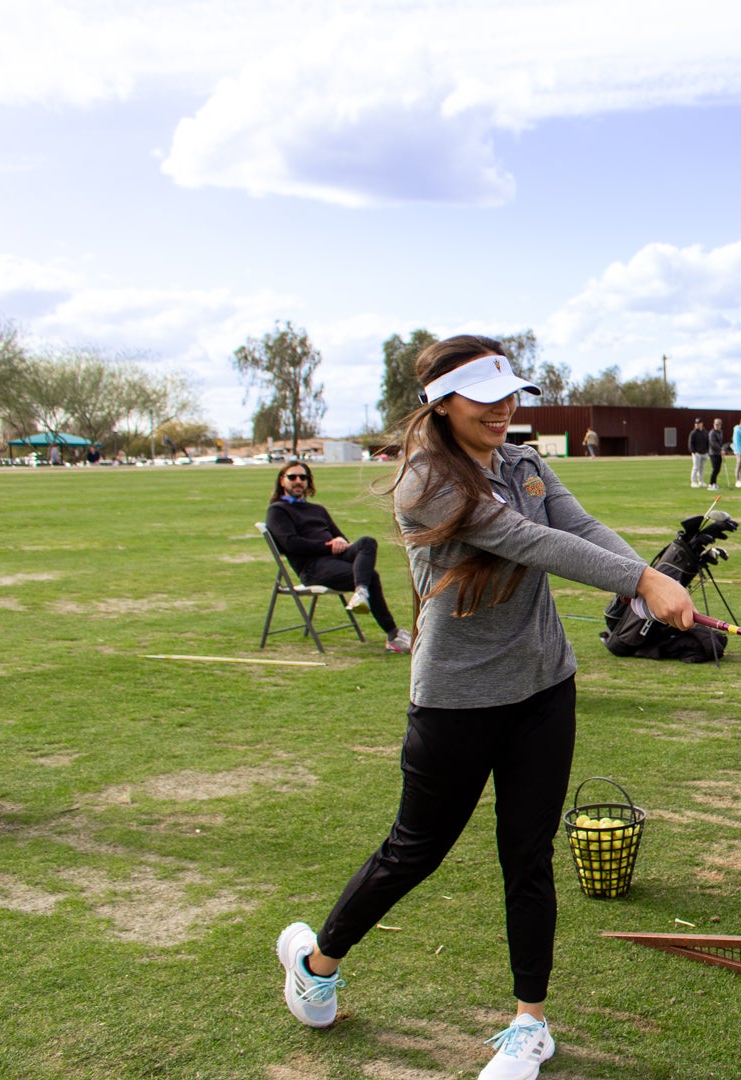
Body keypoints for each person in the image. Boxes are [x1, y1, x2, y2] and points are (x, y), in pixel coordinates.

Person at [275, 335, 696, 1080]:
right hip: (457, 699)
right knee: (415, 850)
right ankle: (316, 962)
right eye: (484, 397)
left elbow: (579, 527)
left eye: (510, 395)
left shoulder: (524, 463)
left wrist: (647, 576)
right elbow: (526, 541)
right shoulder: (425, 483)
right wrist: (640, 583)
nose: (503, 410)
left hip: (543, 688)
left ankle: (529, 1024)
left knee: (526, 856)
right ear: (442, 404)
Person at [265, 462, 412, 654]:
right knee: (371, 577)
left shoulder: (317, 510)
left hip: (337, 557)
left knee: (367, 542)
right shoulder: (278, 511)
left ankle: (361, 593)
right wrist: (328, 546)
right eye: (292, 477)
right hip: (313, 568)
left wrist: (341, 542)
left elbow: (340, 537)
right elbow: (291, 544)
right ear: (282, 481)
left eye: (303, 477)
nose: (298, 481)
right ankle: (393, 635)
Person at [687, 418, 710, 488]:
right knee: (695, 467)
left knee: (701, 468)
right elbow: (690, 443)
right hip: (697, 453)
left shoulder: (705, 432)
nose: (697, 424)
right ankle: (693, 482)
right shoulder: (693, 433)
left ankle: (701, 481)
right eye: (696, 423)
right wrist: (693, 451)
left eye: (698, 423)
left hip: (704, 453)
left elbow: (707, 442)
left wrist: (707, 451)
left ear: (701, 424)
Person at [706, 418, 725, 491]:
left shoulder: (720, 432)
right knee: (715, 469)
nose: (717, 426)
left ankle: (714, 483)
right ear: (714, 425)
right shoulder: (712, 433)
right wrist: (720, 450)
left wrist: (722, 449)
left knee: (718, 469)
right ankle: (711, 484)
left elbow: (720, 442)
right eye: (716, 425)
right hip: (713, 453)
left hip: (718, 453)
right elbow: (713, 443)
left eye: (718, 425)